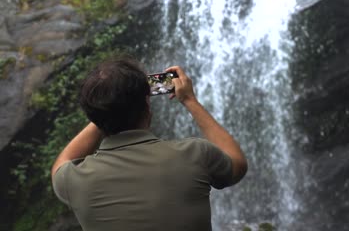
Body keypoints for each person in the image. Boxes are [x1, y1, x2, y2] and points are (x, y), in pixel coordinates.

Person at [51, 57, 248, 231]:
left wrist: (104, 112)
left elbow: (62, 161)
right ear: (147, 106)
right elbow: (237, 163)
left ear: (92, 115)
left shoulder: (72, 179)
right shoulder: (197, 154)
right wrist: (189, 100)